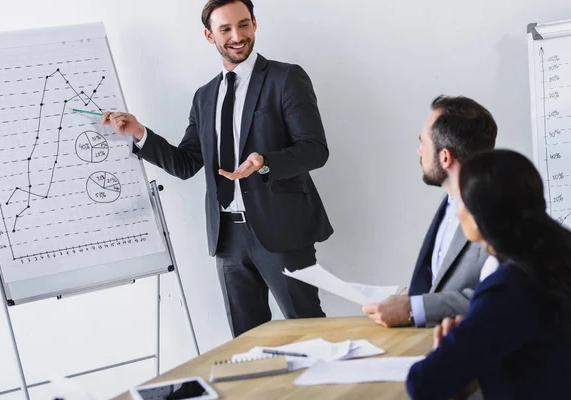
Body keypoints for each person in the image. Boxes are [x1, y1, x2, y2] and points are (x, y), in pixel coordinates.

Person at [101, 0, 332, 337]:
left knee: (308, 330)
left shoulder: (285, 78)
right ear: (210, 36)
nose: (237, 36)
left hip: (281, 231)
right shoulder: (204, 96)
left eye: (244, 24)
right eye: (225, 29)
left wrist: (266, 161)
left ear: (254, 23)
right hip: (228, 237)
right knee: (247, 344)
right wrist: (139, 133)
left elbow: (315, 150)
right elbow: (186, 163)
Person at [406, 149, 571, 399]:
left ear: (478, 216)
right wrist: (478, 328)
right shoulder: (557, 254)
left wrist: (454, 345)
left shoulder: (509, 288)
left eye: (460, 200)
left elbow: (424, 382)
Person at [363, 96, 497, 328]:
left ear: (445, 157)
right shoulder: (449, 203)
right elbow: (442, 280)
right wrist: (411, 297)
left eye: (423, 142)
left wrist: (413, 308)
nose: (418, 150)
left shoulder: (498, 212)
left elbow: (498, 298)